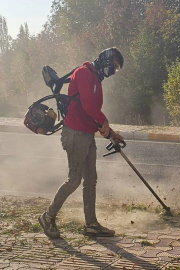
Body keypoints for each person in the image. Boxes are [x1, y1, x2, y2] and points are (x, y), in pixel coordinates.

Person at [38, 48, 124, 239]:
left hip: (86, 134)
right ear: (106, 61)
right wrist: (105, 122)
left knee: (90, 180)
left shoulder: (95, 79)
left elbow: (90, 112)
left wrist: (111, 133)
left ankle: (91, 225)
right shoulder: (84, 73)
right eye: (114, 67)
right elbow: (87, 104)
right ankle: (47, 216)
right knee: (74, 179)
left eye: (117, 69)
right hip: (75, 134)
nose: (114, 72)